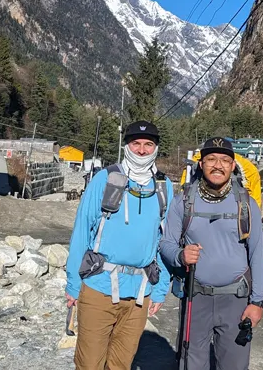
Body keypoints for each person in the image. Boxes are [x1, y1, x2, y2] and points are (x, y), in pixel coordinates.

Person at [65, 120, 174, 370]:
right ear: (126, 146)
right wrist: (73, 284)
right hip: (98, 287)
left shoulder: (163, 186)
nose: (142, 150)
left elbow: (164, 241)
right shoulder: (105, 179)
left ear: (156, 148)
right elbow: (82, 230)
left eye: (148, 144)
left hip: (139, 293)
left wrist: (160, 290)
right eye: (136, 143)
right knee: (89, 364)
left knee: (121, 365)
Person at [159, 137, 263, 370]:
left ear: (233, 165)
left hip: (236, 301)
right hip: (195, 297)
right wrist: (180, 255)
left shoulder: (246, 204)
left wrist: (257, 302)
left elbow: (257, 254)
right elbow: (166, 244)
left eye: (225, 160)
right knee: (191, 365)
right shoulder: (183, 201)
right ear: (201, 164)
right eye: (211, 159)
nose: (218, 165)